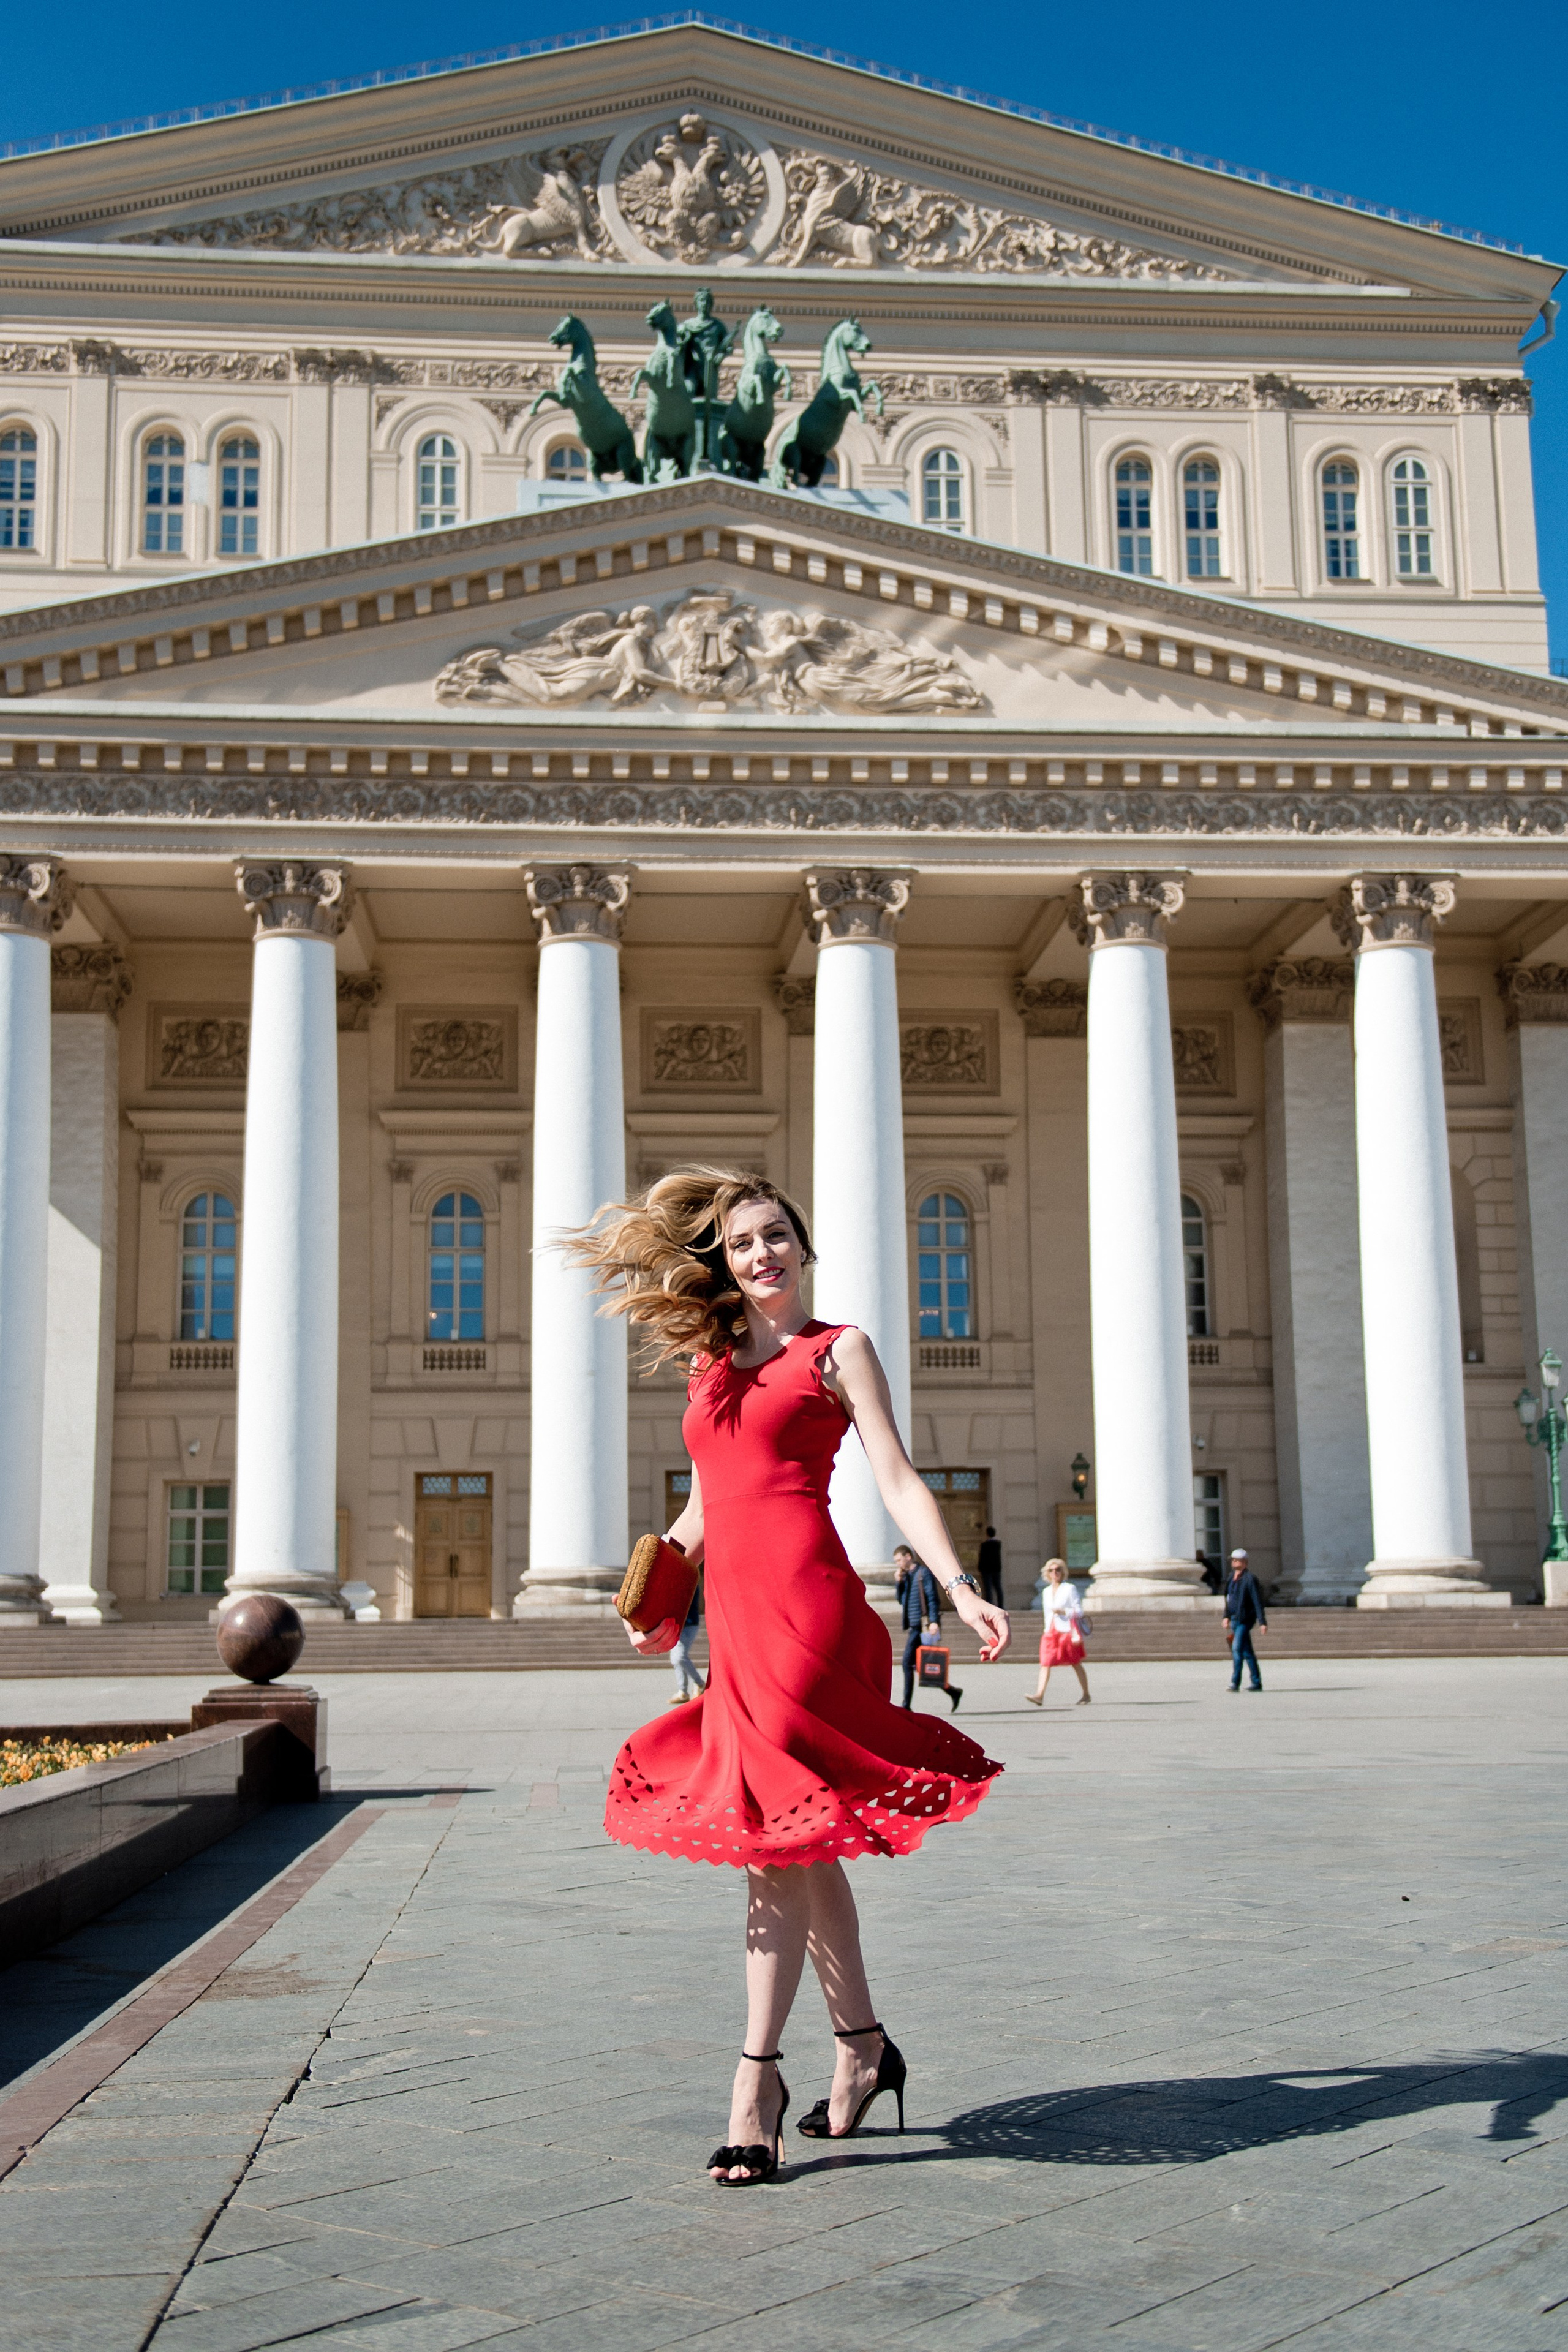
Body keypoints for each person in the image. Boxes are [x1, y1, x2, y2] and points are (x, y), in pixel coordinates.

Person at [568, 1167, 1009, 2188]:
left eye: (775, 1236)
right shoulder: (711, 1361)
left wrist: (956, 1583)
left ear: (802, 1246)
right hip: (738, 1623)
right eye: (740, 1245)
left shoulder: (836, 1351)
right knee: (803, 1848)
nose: (761, 1255)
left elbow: (898, 1477)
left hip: (809, 1615)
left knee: (774, 1849)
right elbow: (705, 1504)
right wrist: (658, 1597)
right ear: (723, 1263)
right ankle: (863, 2048)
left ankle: (754, 2084)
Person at [894, 1542, 962, 1714]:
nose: (898, 1564)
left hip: (922, 1626)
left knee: (906, 1663)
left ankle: (906, 1705)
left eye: (899, 1560)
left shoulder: (923, 1574)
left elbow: (932, 1598)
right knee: (922, 1666)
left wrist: (934, 1621)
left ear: (908, 1557)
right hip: (913, 1625)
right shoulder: (907, 1577)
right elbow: (902, 1600)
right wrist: (899, 1583)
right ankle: (953, 1691)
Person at [1026, 1558, 1090, 1707]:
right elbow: (1046, 1614)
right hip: (1050, 1632)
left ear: (1063, 1572)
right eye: (1051, 1570)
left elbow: (1079, 1611)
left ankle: (1086, 1694)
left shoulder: (1070, 1588)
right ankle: (1039, 1695)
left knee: (1075, 1662)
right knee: (1045, 1663)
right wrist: (1046, 1628)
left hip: (1067, 1631)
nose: (1055, 1573)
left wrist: (1064, 1611)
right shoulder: (1046, 1591)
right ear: (1047, 1573)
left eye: (1058, 1570)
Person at [1224, 1548, 1267, 1692]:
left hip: (1245, 1619)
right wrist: (1226, 1616)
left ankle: (1235, 1682)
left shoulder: (1250, 1579)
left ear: (1245, 1562)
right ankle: (1256, 1682)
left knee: (1236, 1649)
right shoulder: (1231, 1577)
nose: (1234, 1562)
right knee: (1247, 1652)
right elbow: (1229, 1599)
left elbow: (1257, 1600)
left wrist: (1262, 1622)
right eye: (1233, 1560)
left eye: (1237, 1560)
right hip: (1235, 1618)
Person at [669, 1574, 705, 1704]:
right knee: (675, 1658)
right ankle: (683, 1692)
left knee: (680, 1657)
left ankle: (699, 1683)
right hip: (679, 1624)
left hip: (688, 1624)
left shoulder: (689, 1581)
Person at [977, 1525, 1005, 1610]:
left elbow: (982, 1558)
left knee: (988, 1589)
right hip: (996, 1569)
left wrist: (980, 1568)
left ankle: (990, 1606)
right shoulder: (998, 1544)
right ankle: (1001, 1606)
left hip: (987, 1570)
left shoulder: (985, 1545)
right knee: (998, 1588)